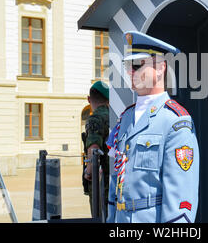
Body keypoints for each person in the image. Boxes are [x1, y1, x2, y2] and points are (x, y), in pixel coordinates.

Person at [106, 31, 199, 223]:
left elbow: (181, 194)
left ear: (160, 68)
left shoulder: (175, 121)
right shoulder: (125, 119)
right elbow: (116, 181)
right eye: (128, 65)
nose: (131, 71)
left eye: (138, 64)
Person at [83, 81, 110, 218]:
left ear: (89, 99)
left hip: (101, 184)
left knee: (99, 217)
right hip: (116, 182)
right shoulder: (117, 117)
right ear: (109, 100)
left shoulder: (95, 119)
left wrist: (88, 171)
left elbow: (94, 149)